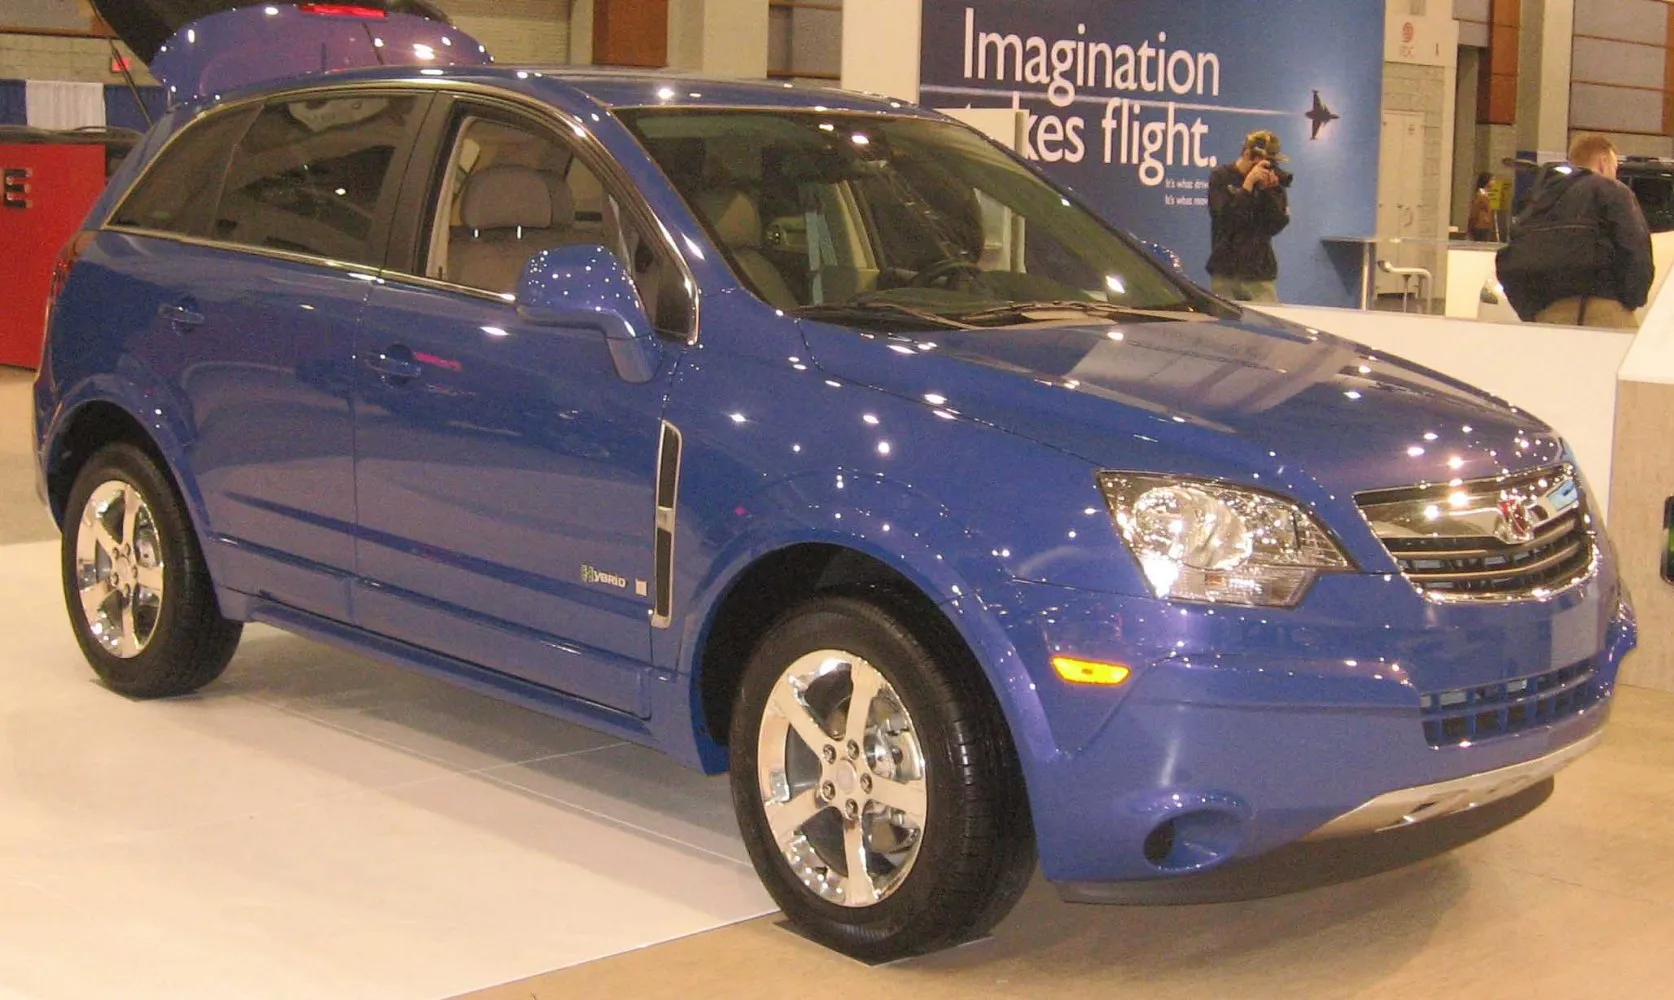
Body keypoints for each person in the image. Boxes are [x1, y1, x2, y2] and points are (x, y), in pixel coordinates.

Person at [1518, 134, 1653, 329]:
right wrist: (1632, 299)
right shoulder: (1613, 191)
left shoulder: (1544, 196)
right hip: (1603, 309)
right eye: (1615, 167)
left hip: (1548, 313)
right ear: (1603, 162)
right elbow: (1635, 252)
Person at [1206, 130, 1291, 303]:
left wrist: (1268, 192)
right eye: (1263, 161)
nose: (1267, 166)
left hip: (1259, 274)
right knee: (1222, 320)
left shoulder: (1271, 180)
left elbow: (1275, 226)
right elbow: (1224, 219)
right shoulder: (1221, 176)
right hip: (1226, 272)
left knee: (1266, 320)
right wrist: (1247, 186)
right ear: (1247, 153)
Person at [1468, 171, 1498, 242]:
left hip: (1485, 226)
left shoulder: (1485, 194)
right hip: (1480, 226)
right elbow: (1474, 211)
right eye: (1492, 180)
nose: (1494, 182)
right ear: (1486, 181)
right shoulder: (1480, 195)